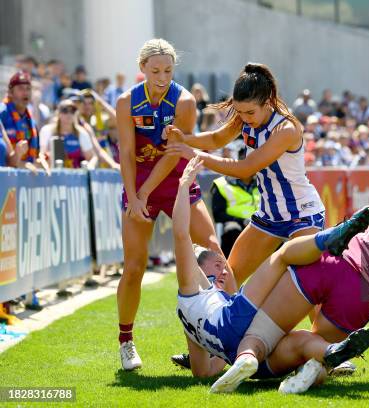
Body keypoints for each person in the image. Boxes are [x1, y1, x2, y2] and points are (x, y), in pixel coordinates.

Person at [173, 157, 369, 393]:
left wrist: (230, 360)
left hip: (249, 358)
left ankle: (330, 353)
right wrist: (184, 185)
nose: (224, 269)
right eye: (217, 265)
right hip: (231, 322)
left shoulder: (190, 320)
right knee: (283, 256)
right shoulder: (190, 286)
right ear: (196, 269)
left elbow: (203, 372)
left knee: (301, 341)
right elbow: (181, 235)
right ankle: (331, 237)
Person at [211, 217, 369, 394]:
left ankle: (245, 356)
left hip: (326, 263)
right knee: (314, 349)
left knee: (262, 331)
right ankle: (312, 369)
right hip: (355, 291)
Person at [115, 38, 225, 371]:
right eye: (155, 70)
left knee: (212, 251)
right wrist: (134, 196)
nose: (162, 76)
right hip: (139, 186)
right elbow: (126, 152)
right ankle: (126, 341)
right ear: (142, 69)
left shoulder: (186, 101)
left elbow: (172, 155)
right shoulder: (126, 102)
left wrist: (145, 192)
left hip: (175, 182)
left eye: (168, 70)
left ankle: (221, 336)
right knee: (134, 267)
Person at [165, 63, 325, 286]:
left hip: (303, 215)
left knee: (306, 287)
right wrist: (183, 137)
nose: (244, 118)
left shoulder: (286, 129)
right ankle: (224, 322)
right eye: (239, 112)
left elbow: (245, 168)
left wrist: (193, 154)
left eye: (250, 112)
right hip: (269, 216)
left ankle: (332, 322)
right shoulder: (244, 118)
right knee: (227, 279)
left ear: (267, 102)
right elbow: (215, 139)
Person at [0, 71, 49, 174]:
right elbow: (7, 158)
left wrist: (42, 160)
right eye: (20, 89)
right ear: (10, 92)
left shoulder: (30, 121)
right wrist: (23, 164)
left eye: (28, 89)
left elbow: (36, 154)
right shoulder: (2, 113)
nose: (25, 93)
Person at [210, 165, 260, 257]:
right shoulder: (221, 184)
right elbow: (218, 215)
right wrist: (241, 221)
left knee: (276, 234)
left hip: (260, 223)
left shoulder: (263, 182)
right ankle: (230, 267)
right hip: (234, 222)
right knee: (232, 229)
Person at [39, 99, 95, 169]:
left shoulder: (81, 133)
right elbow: (42, 155)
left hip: (75, 175)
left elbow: (92, 157)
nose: (69, 114)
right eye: (65, 111)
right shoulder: (47, 130)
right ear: (58, 113)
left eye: (72, 111)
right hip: (52, 174)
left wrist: (89, 166)